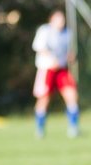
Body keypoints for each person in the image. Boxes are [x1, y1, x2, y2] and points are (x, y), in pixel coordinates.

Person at [32, 10, 80, 138]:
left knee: (72, 95)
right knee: (44, 99)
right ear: (51, 20)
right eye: (58, 19)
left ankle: (73, 127)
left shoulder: (67, 33)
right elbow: (39, 48)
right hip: (47, 69)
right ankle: (40, 128)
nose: (61, 22)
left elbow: (68, 52)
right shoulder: (44, 31)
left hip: (62, 70)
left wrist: (70, 57)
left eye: (62, 19)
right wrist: (52, 59)